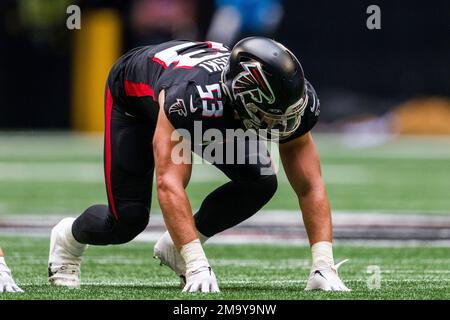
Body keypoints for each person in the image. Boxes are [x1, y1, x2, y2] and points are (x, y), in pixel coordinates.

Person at [48, 37, 350, 292]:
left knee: (259, 180)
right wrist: (196, 263)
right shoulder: (192, 97)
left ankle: (172, 248)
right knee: (128, 220)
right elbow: (170, 182)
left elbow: (310, 184)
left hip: (206, 99)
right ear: (242, 97)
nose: (282, 125)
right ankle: (68, 237)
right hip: (136, 99)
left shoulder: (293, 99)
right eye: (272, 116)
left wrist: (323, 263)